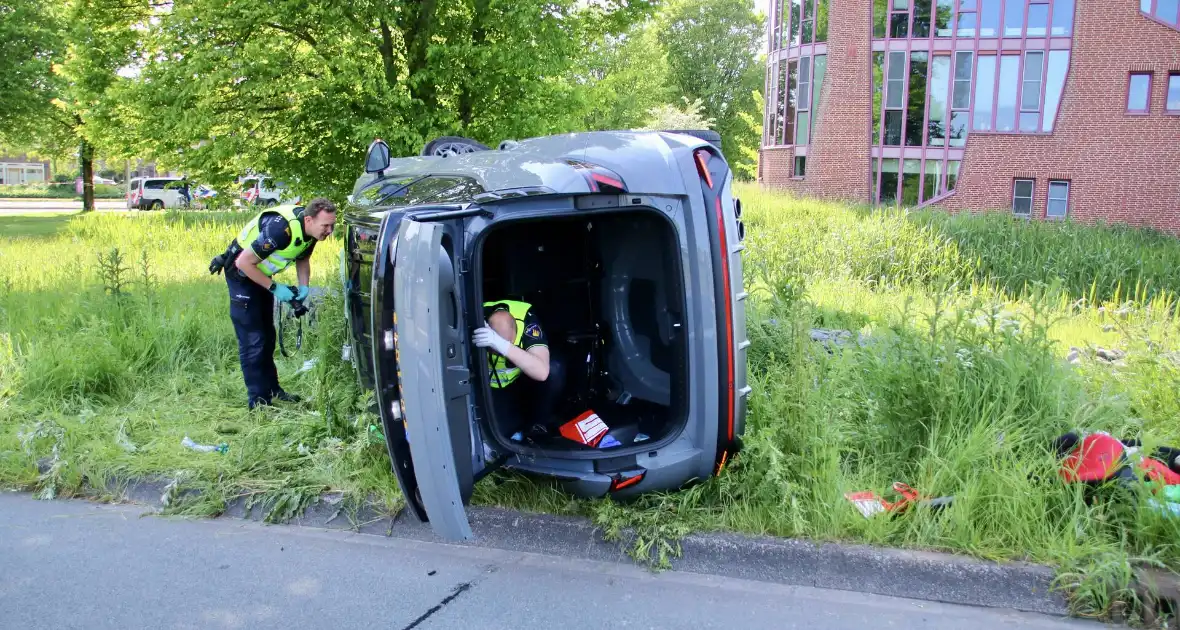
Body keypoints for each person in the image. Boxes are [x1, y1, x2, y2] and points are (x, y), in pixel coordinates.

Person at [209, 198, 337, 409]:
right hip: (242, 275)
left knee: (268, 337)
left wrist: (303, 288)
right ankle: (258, 402)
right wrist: (276, 288)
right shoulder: (281, 230)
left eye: (332, 225)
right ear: (309, 220)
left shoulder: (311, 232)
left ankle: (272, 391)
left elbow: (302, 259)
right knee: (254, 340)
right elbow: (243, 263)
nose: (329, 230)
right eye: (326, 225)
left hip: (260, 276)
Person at [472, 299, 565, 439]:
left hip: (518, 382)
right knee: (492, 433)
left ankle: (538, 424)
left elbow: (542, 372)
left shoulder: (526, 320)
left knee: (555, 370)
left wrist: (502, 345)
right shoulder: (475, 315)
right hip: (484, 383)